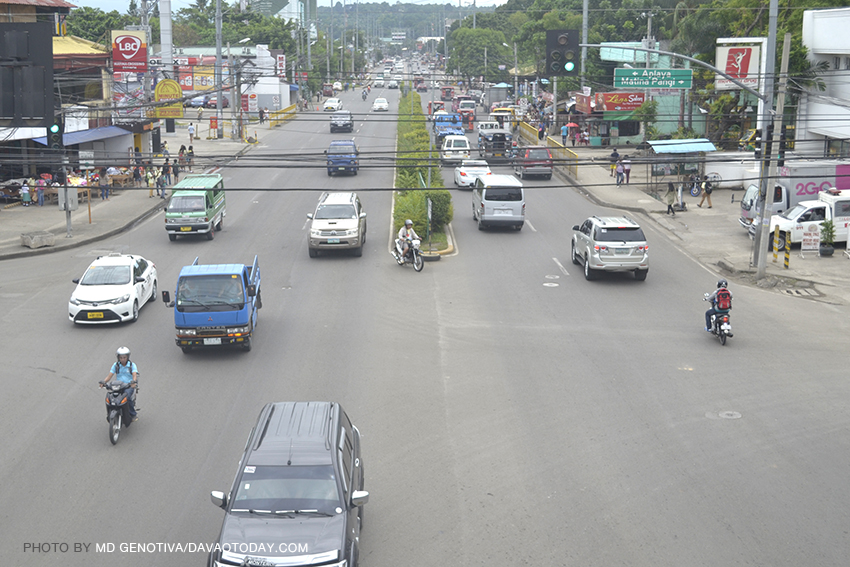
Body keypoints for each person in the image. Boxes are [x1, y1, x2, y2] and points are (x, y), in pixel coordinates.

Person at [100, 346, 138, 421]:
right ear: (118, 358)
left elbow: (134, 375)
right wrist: (104, 382)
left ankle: (133, 414)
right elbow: (109, 376)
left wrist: (133, 382)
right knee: (110, 398)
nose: (123, 359)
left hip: (128, 386)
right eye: (121, 357)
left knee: (127, 398)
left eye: (124, 357)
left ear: (127, 357)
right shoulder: (116, 365)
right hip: (118, 386)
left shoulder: (132, 365)